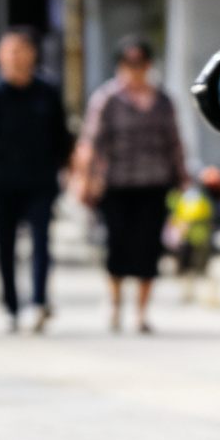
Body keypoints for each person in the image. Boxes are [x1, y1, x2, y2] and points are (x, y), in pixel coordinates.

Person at [0, 29, 73, 333]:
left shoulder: (47, 91)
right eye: (10, 51)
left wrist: (69, 172)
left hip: (40, 181)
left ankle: (39, 301)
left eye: (22, 50)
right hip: (0, 183)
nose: (16, 57)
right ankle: (11, 306)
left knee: (41, 242)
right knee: (4, 246)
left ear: (33, 54)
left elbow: (62, 138)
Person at [76, 36, 187, 334]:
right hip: (116, 184)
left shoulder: (163, 101)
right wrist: (85, 179)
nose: (134, 70)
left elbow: (174, 143)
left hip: (155, 183)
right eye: (128, 64)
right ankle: (115, 305)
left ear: (148, 66)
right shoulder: (107, 99)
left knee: (149, 248)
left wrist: (182, 179)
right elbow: (91, 142)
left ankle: (141, 312)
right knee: (117, 245)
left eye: (140, 64)